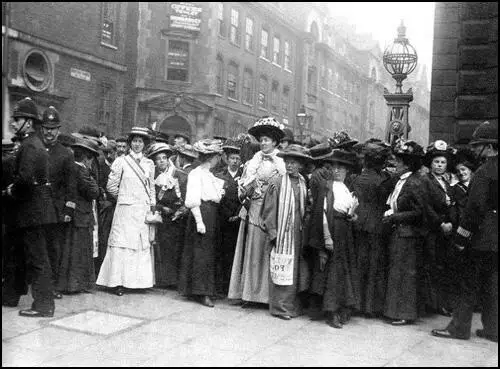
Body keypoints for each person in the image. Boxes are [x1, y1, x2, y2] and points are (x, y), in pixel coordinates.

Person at [432, 121, 498, 343]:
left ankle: (459, 329)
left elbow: (474, 210)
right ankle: (493, 330)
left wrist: (461, 238)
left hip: (480, 238)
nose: (476, 150)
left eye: (479, 146)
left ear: (489, 147)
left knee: (466, 284)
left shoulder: (484, 172)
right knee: (492, 284)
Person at [5, 97, 59, 317]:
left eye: (17, 119)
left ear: (28, 122)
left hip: (32, 212)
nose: (14, 123)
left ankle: (43, 306)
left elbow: (25, 179)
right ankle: (32, 301)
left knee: (37, 260)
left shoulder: (29, 145)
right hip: (37, 211)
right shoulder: (34, 143)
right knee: (33, 258)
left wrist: (10, 190)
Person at [228, 117, 286, 307]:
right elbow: (243, 187)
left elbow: (283, 186)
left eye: (267, 140)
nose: (263, 143)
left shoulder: (281, 162)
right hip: (254, 208)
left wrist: (270, 188)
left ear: (275, 142)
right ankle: (249, 294)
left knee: (267, 251)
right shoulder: (254, 160)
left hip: (272, 210)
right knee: (252, 251)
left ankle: (266, 296)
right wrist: (249, 187)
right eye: (261, 140)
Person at [97, 127, 156, 296]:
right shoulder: (121, 161)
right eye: (135, 141)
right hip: (125, 210)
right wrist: (124, 198)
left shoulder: (149, 163)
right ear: (130, 143)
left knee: (139, 244)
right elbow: (111, 186)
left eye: (140, 142)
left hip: (142, 210)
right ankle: (117, 282)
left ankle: (138, 283)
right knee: (122, 244)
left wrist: (152, 205)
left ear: (144, 144)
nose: (137, 145)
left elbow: (151, 187)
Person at [307, 147, 360, 329]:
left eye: (341, 168)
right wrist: (327, 238)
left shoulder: (345, 188)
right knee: (332, 272)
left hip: (344, 231)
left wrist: (352, 216)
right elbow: (321, 213)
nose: (337, 171)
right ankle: (331, 311)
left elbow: (347, 210)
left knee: (343, 270)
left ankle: (343, 306)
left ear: (347, 171)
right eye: (334, 168)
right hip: (331, 229)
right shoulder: (327, 187)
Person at [260, 144, 311, 320]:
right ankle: (279, 307)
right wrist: (273, 232)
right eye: (287, 162)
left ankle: (292, 305)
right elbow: (269, 209)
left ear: (300, 165)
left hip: (297, 231)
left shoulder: (303, 182)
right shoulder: (277, 182)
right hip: (281, 231)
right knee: (281, 267)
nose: (290, 166)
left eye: (294, 163)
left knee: (295, 269)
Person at [383, 139, 427, 326]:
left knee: (404, 275)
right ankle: (396, 311)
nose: (396, 165)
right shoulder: (403, 180)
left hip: (408, 234)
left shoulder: (415, 183)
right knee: (398, 273)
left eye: (399, 161)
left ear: (408, 164)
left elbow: (419, 212)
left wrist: (395, 217)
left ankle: (404, 312)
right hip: (400, 232)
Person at [178, 139, 225, 307]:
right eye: (217, 157)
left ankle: (204, 289)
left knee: (208, 252)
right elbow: (192, 199)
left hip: (211, 213)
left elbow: (216, 197)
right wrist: (199, 221)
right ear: (211, 157)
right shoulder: (196, 174)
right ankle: (201, 291)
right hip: (202, 213)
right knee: (201, 254)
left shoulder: (209, 174)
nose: (218, 160)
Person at [350, 140, 393, 318]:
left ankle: (357, 304)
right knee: (374, 265)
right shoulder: (383, 180)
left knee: (359, 264)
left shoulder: (356, 179)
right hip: (377, 225)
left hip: (359, 223)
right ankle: (370, 306)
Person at [41, 106, 77, 300]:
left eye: (53, 128)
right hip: (35, 208)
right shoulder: (35, 148)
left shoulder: (65, 154)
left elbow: (71, 187)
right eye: (46, 127)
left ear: (58, 130)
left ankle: (52, 285)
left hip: (55, 211)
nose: (49, 132)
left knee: (53, 250)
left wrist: (68, 210)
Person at [56, 137, 100, 293]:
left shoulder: (73, 168)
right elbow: (94, 192)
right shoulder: (81, 171)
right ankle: (75, 285)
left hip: (77, 215)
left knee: (71, 250)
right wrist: (93, 181)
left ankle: (70, 284)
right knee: (78, 251)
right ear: (87, 157)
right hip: (81, 215)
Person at [421, 140, 456, 316]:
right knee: (431, 265)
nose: (440, 165)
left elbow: (451, 204)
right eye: (436, 162)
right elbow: (426, 206)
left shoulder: (447, 183)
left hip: (445, 231)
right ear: (431, 164)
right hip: (432, 230)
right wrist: (440, 223)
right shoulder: (426, 181)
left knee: (443, 266)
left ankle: (441, 303)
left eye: (443, 162)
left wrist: (450, 222)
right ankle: (430, 304)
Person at [147, 142, 183, 288]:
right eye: (158, 159)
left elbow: (183, 197)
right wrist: (161, 207)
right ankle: (161, 279)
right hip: (160, 216)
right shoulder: (153, 176)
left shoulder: (177, 175)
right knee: (159, 247)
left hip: (175, 217)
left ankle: (173, 280)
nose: (161, 161)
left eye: (164, 158)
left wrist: (177, 209)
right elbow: (150, 197)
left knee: (174, 248)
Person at [214, 140, 243, 296]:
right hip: (222, 220)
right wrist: (226, 215)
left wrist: (237, 213)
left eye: (237, 159)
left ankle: (231, 287)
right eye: (232, 158)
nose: (234, 161)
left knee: (233, 253)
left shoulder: (243, 177)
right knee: (221, 252)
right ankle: (221, 286)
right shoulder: (219, 176)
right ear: (227, 159)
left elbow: (245, 199)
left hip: (236, 220)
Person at [96, 140, 118, 275]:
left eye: (111, 152)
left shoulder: (119, 165)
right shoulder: (100, 166)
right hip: (104, 208)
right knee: (103, 237)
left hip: (116, 206)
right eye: (106, 152)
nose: (108, 155)